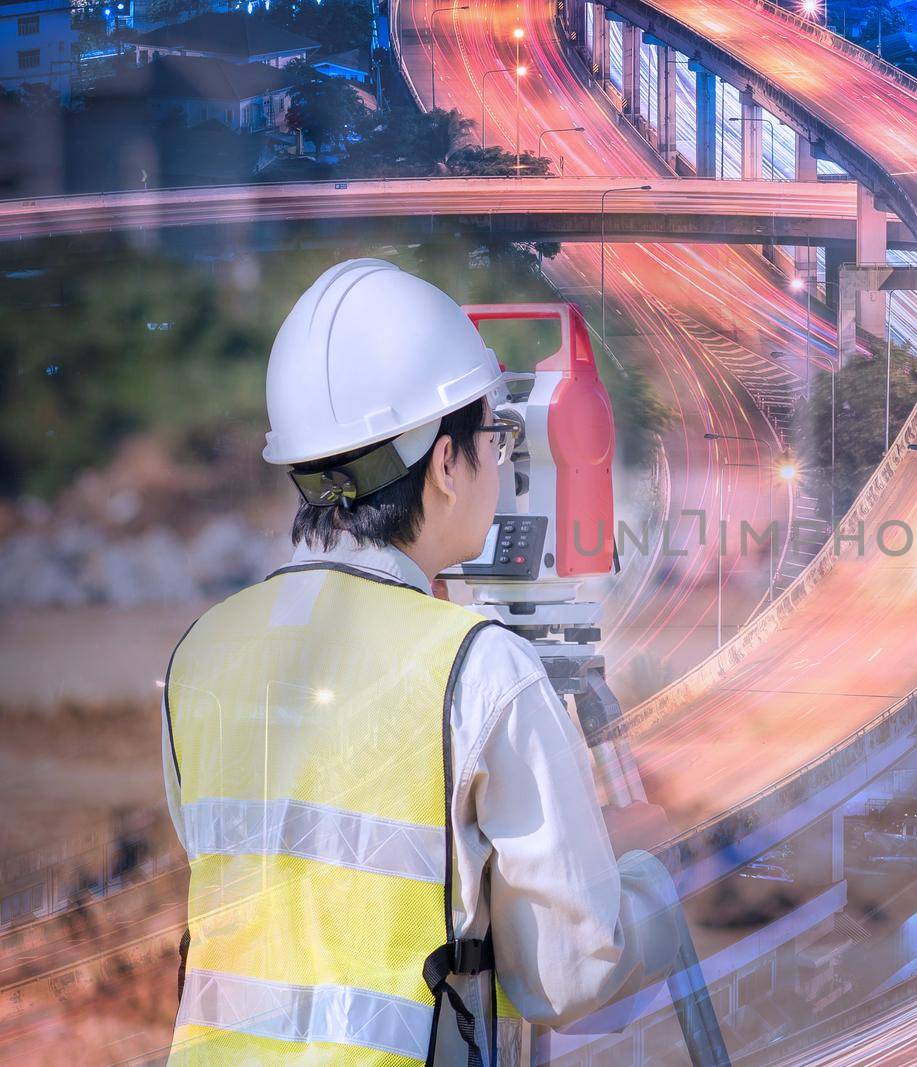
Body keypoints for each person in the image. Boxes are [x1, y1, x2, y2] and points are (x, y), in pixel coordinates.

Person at [159, 259, 682, 1066]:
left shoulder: (202, 653)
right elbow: (571, 974)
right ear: (444, 460)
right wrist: (652, 881)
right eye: (494, 439)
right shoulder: (477, 670)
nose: (501, 466)